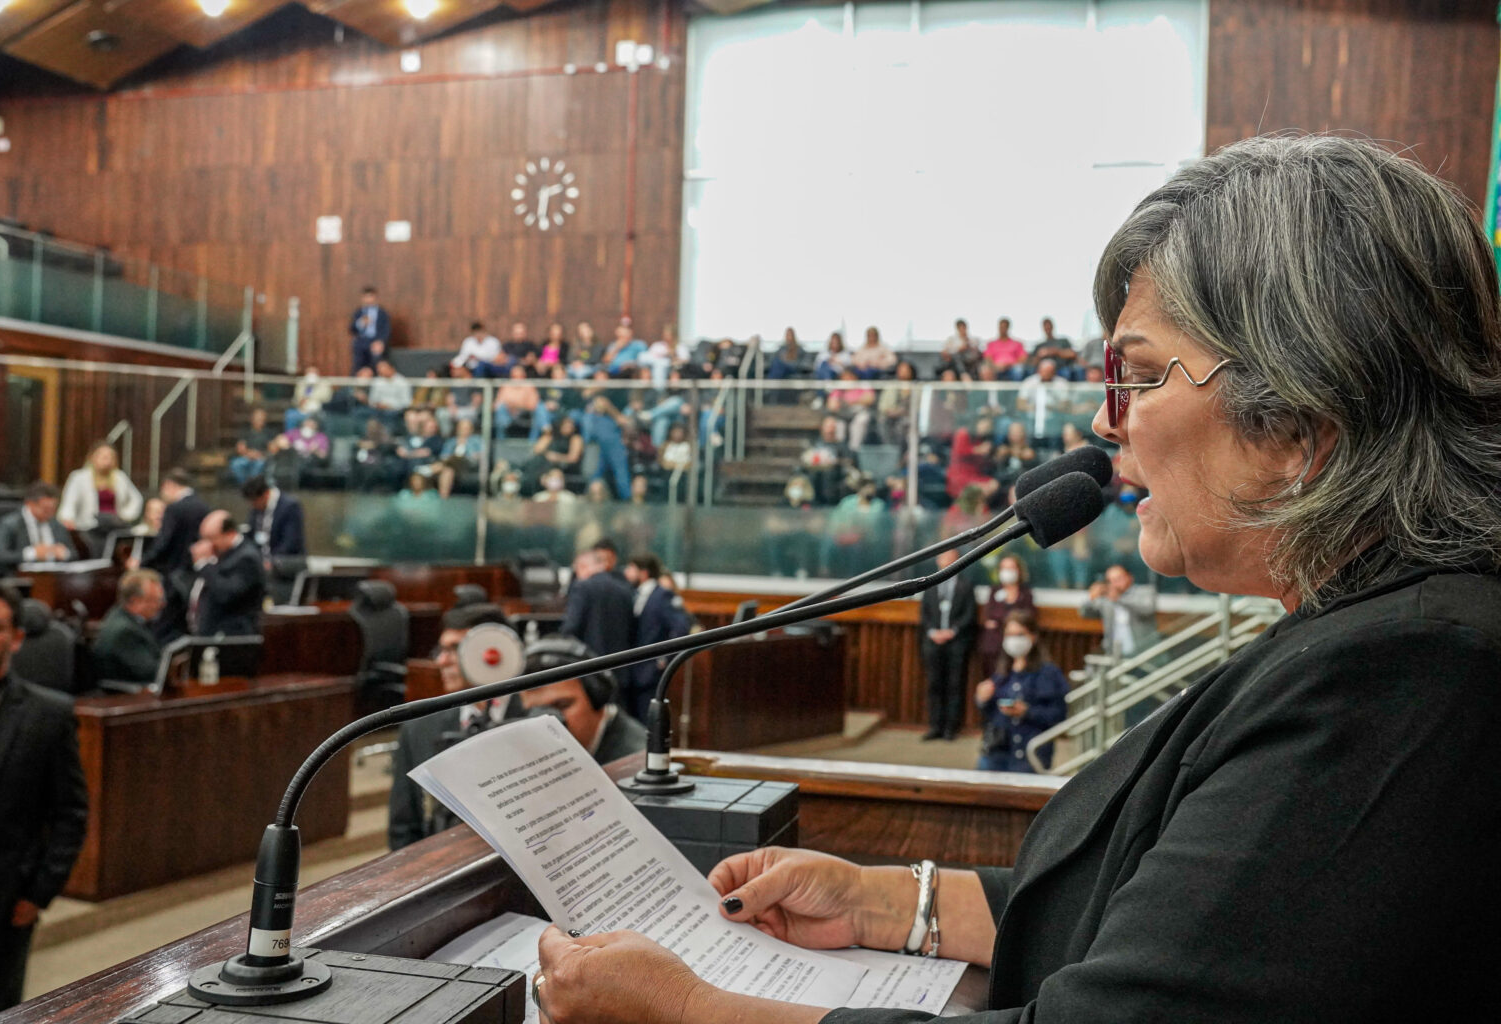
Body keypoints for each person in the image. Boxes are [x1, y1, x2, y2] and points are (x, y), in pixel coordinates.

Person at [531, 134, 1501, 1022]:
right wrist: (884, 900)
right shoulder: (1378, 636)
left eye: (1140, 376)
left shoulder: (1407, 674)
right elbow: (1169, 920)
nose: (1108, 423)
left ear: (1300, 415)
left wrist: (688, 1012)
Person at [0, 580, 88, 1021]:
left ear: (16, 637)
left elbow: (71, 814)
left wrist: (37, 895)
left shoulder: (48, 714)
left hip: (0, 908)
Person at [387, 604, 524, 850]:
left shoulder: (538, 719)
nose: (441, 661)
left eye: (456, 649)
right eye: (442, 649)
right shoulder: (419, 728)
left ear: (496, 650)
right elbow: (403, 829)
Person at [518, 636, 649, 763]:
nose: (549, 722)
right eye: (535, 711)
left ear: (597, 696)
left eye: (562, 705)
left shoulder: (637, 762)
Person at [974, 609, 1068, 772]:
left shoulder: (1048, 673)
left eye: (1020, 634)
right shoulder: (1002, 672)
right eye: (1009, 634)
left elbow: (1058, 714)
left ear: (1033, 636)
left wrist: (1027, 711)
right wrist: (982, 699)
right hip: (996, 753)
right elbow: (989, 713)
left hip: (1030, 757)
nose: (1014, 640)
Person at [917, 548, 978, 741]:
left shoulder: (966, 585)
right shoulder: (929, 585)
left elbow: (970, 615)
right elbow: (924, 615)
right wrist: (934, 633)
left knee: (955, 685)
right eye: (944, 558)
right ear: (938, 560)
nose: (947, 562)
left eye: (951, 558)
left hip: (956, 643)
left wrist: (952, 631)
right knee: (934, 685)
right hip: (933, 643)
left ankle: (951, 728)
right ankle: (935, 726)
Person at [621, 552, 688, 722]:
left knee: (647, 722)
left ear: (643, 573)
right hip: (630, 671)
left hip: (649, 672)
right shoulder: (632, 593)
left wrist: (664, 660)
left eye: (631, 568)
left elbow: (681, 628)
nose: (626, 573)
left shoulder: (662, 595)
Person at [186, 511, 265, 637]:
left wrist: (204, 564)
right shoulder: (220, 555)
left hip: (233, 634)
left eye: (211, 538)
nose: (207, 545)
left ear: (229, 534)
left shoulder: (246, 558)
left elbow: (226, 594)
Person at [91, 569, 165, 684]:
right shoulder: (125, 632)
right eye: (154, 600)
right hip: (127, 696)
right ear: (135, 601)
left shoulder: (117, 613)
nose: (161, 605)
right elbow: (152, 673)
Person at [561, 548, 635, 657]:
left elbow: (571, 626)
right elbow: (632, 628)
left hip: (589, 663)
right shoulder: (624, 589)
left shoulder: (581, 587)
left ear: (583, 566)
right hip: (621, 662)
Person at [1079, 562, 1161, 660]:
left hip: (1144, 653)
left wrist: (1119, 599)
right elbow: (1085, 613)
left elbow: (1147, 609)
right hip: (1116, 654)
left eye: (1118, 579)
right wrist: (1091, 598)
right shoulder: (1106, 599)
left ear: (1130, 577)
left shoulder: (1145, 591)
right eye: (1110, 580)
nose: (1114, 583)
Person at [58, 442, 143, 533]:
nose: (107, 461)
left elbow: (137, 499)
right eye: (103, 457)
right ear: (92, 457)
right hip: (88, 528)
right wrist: (68, 519)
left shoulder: (120, 477)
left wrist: (125, 515)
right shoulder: (79, 477)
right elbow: (69, 502)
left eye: (110, 457)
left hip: (115, 527)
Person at [0, 481, 75, 571]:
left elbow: (74, 554)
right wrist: (32, 553)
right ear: (29, 504)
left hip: (53, 577)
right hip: (22, 577)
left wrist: (64, 553)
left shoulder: (55, 524)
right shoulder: (9, 524)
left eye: (53, 509)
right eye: (46, 509)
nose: (50, 514)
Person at [240, 475, 305, 589]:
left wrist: (271, 562)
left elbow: (292, 542)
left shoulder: (290, 506)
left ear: (265, 494)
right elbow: (251, 534)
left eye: (254, 501)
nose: (253, 506)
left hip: (284, 567)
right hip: (261, 567)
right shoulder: (256, 510)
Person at [978, 554, 1036, 670]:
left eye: (1011, 568)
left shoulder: (1026, 594)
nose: (1007, 572)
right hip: (993, 646)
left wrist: (999, 622)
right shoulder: (994, 590)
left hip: (1017, 646)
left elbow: (1028, 619)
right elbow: (988, 618)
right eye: (1004, 568)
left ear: (1019, 570)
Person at [348, 286, 390, 373]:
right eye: (366, 297)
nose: (368, 299)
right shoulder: (359, 312)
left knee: (377, 362)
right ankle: (353, 385)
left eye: (371, 296)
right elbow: (352, 329)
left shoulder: (382, 313)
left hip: (375, 342)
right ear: (362, 298)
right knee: (357, 365)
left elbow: (386, 330)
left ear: (375, 297)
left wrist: (381, 342)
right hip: (361, 342)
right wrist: (361, 323)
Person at [230, 407, 274, 484]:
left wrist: (260, 454)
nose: (259, 420)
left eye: (261, 418)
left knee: (259, 464)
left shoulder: (268, 433)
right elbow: (240, 448)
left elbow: (272, 449)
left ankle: (252, 486)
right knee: (236, 464)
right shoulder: (245, 431)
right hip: (246, 456)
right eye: (257, 418)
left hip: (261, 458)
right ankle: (245, 485)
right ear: (252, 419)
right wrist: (249, 454)